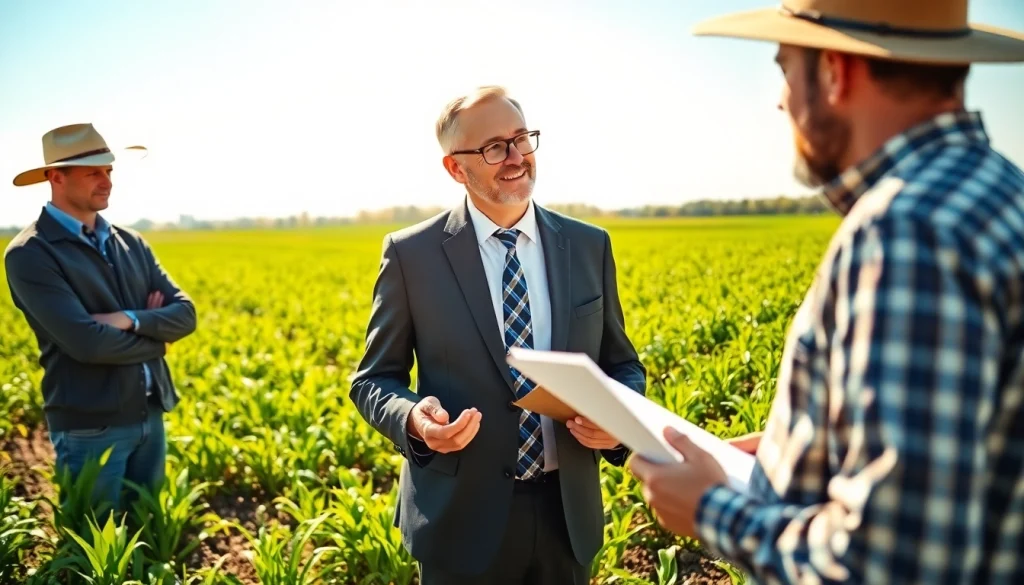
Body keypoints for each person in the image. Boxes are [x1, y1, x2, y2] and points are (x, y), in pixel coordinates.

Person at [628, 1, 1024, 583]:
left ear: (836, 72)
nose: (781, 98)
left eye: (785, 67)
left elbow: (894, 564)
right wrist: (793, 448)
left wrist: (711, 510)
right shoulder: (995, 191)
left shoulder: (905, 231)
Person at [350, 85, 646, 585]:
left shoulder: (588, 244)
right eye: (493, 148)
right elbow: (373, 379)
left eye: (521, 139)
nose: (515, 157)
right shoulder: (411, 255)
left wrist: (617, 417)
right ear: (454, 168)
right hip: (458, 522)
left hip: (565, 518)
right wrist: (417, 422)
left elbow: (623, 365)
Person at [5, 123, 196, 514]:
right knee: (93, 544)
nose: (107, 181)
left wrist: (126, 318)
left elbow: (185, 313)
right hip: (90, 425)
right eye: (93, 171)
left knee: (147, 527)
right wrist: (158, 339)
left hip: (151, 412)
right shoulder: (31, 253)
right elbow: (87, 343)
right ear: (56, 177)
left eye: (109, 170)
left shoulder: (131, 242)